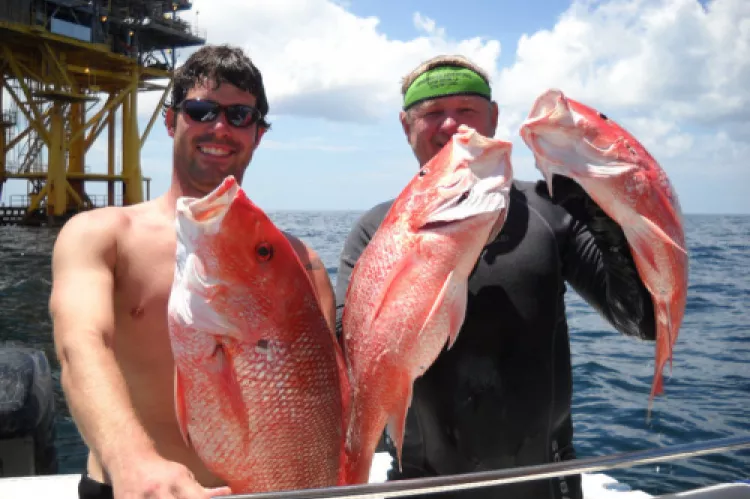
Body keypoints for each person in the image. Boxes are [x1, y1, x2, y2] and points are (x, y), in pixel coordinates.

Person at [334, 55, 657, 499]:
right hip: (422, 487)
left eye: (467, 109)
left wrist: (601, 218)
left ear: (493, 117)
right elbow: (346, 349)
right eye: (432, 113)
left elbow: (641, 321)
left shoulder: (550, 210)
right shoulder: (378, 230)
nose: (451, 125)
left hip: (546, 486)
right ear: (406, 126)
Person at [49, 44, 335, 499]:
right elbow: (80, 346)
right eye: (201, 111)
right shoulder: (102, 234)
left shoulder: (298, 263)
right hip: (133, 489)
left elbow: (320, 404)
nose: (220, 128)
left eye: (240, 116)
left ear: (258, 134)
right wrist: (132, 462)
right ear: (170, 121)